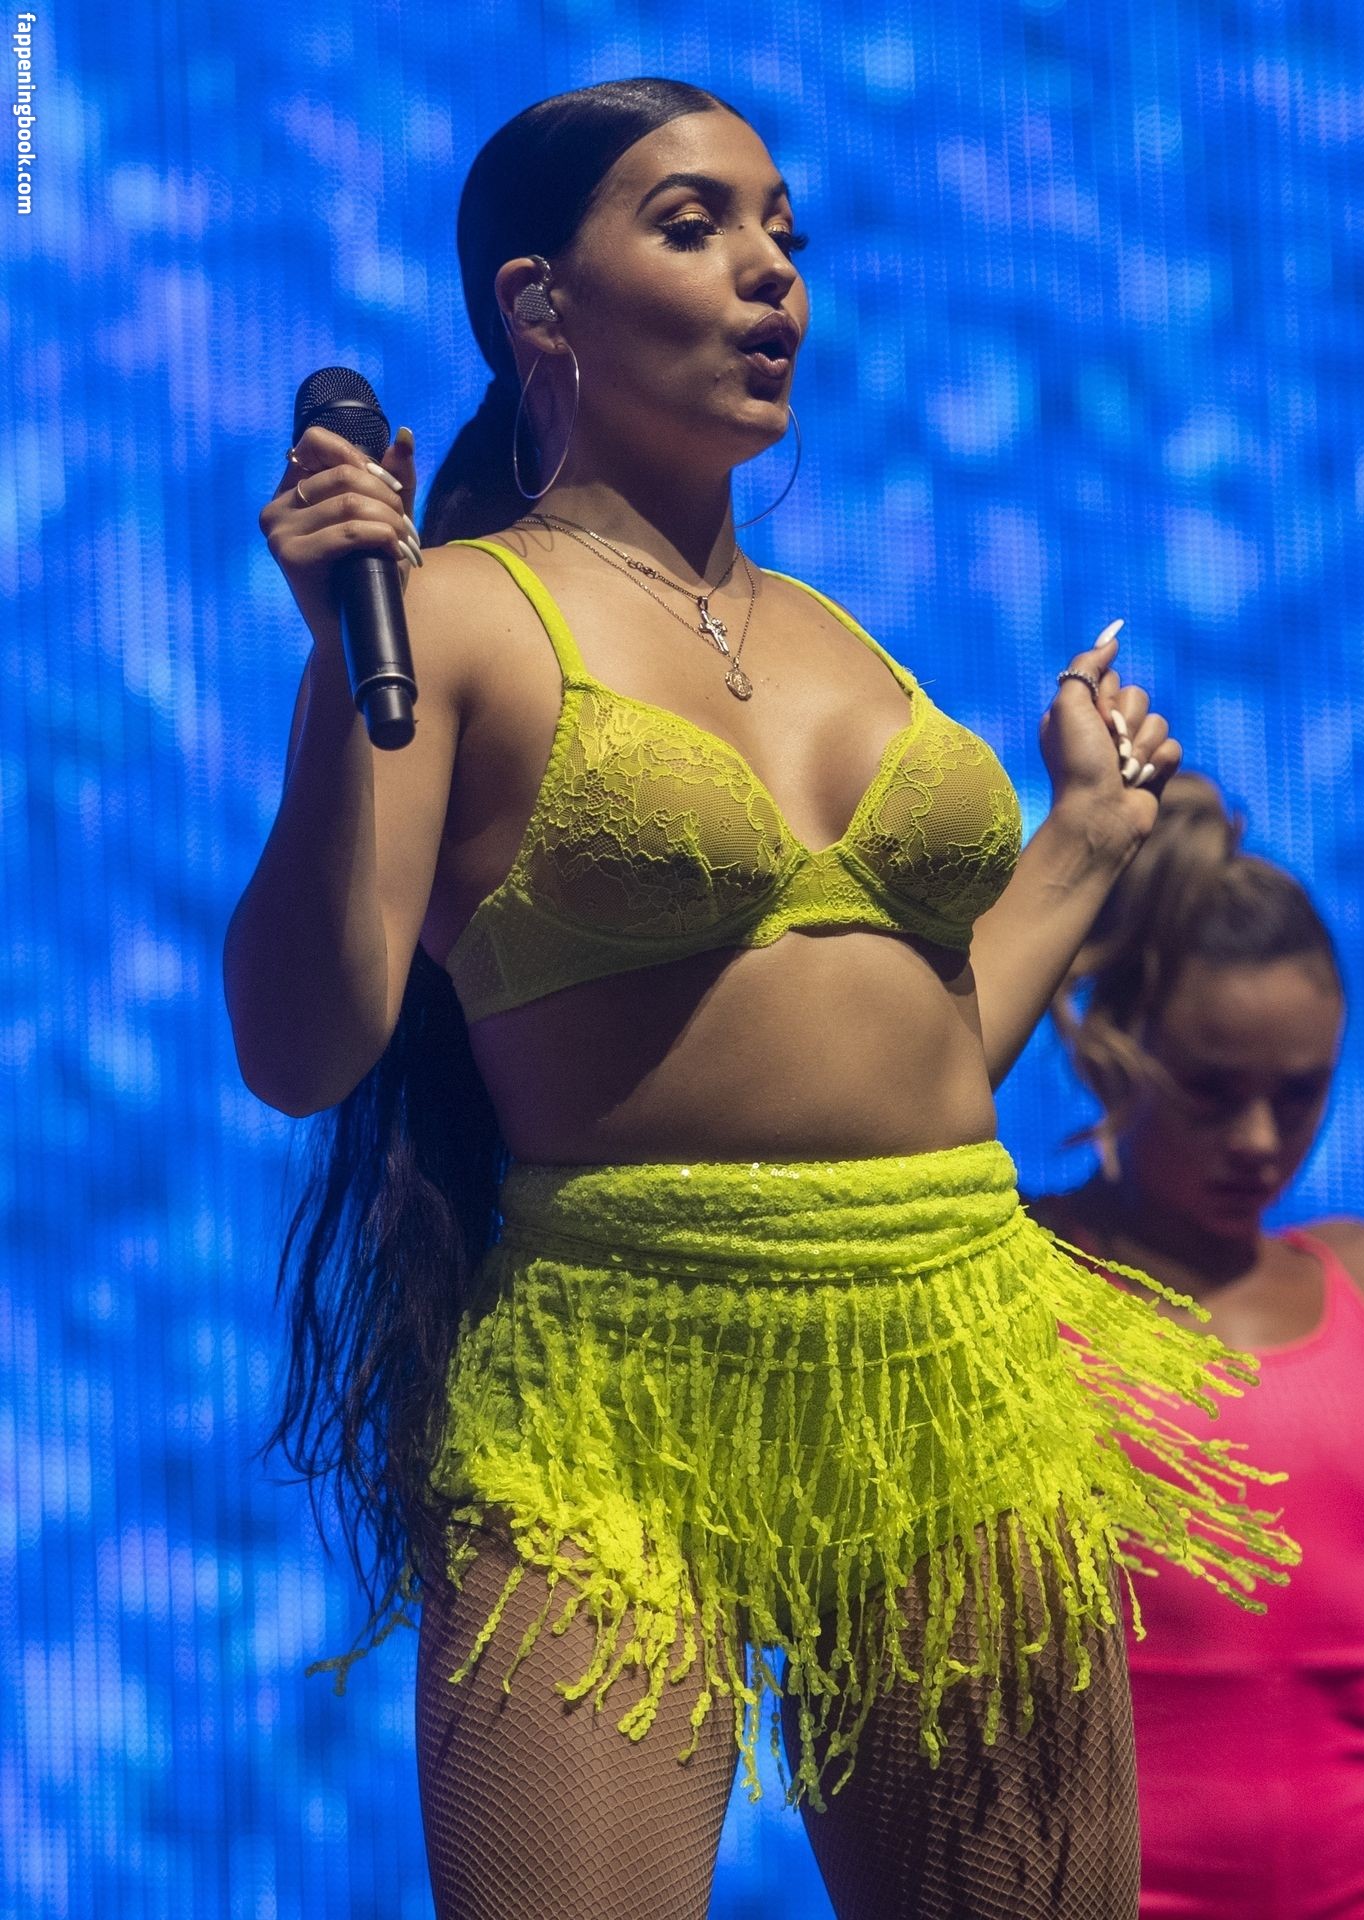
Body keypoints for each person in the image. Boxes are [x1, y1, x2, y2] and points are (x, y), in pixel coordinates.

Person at [225, 79, 1293, 1920]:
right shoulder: (456, 614)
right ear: (538, 302)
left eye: (784, 231)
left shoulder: (844, 641)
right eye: (695, 223)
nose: (772, 270)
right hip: (612, 1381)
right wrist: (339, 672)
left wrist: (1084, 844)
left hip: (948, 1348)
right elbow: (299, 1050)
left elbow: (917, 1064)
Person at [1031, 771, 1364, 1920]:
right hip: (1108, 1895)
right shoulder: (1014, 1275)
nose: (1258, 1139)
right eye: (1208, 1090)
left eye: (1298, 1095)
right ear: (1112, 1049)